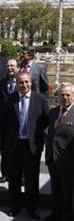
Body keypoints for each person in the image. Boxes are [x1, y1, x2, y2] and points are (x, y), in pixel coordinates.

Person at [0, 72, 48, 219]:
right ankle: (15, 206)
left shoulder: (40, 99)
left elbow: (45, 120)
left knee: (32, 178)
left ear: (31, 83)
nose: (24, 85)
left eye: (26, 82)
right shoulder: (10, 99)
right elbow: (4, 121)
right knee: (14, 178)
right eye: (21, 82)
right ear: (17, 83)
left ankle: (32, 207)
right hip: (14, 144)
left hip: (32, 145)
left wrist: (37, 136)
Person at [45, 82, 74, 221]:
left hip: (68, 162)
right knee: (55, 190)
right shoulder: (53, 112)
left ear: (73, 96)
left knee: (67, 192)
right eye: (62, 94)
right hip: (53, 159)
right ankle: (55, 215)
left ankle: (67, 217)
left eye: (68, 94)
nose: (65, 97)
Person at [0, 58, 20, 183]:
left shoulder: (23, 82)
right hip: (3, 122)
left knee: (18, 150)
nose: (10, 68)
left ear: (18, 68)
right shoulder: (0, 84)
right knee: (5, 149)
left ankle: (19, 175)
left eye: (12, 66)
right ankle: (5, 173)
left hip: (18, 121)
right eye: (8, 66)